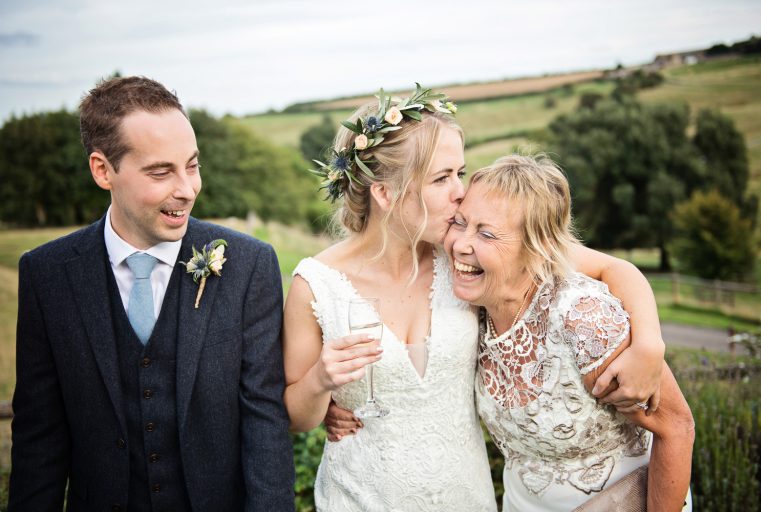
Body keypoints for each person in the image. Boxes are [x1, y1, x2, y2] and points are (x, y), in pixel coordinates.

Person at [284, 86, 667, 511]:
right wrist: (322, 382)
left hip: (466, 496)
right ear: (385, 193)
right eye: (442, 178)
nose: (459, 192)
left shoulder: (465, 257)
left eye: (460, 173)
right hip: (360, 497)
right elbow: (299, 418)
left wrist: (649, 343)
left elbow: (615, 269)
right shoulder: (315, 285)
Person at [9, 76, 294, 511]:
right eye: (161, 172)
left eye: (192, 165)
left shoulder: (248, 265)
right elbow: (39, 439)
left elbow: (265, 423)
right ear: (103, 170)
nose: (186, 188)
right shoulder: (46, 276)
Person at [443, 154, 694, 511]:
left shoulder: (582, 319)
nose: (460, 245)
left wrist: (650, 343)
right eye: (459, 222)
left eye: (485, 233)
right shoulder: (474, 303)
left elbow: (677, 427)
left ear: (536, 249)